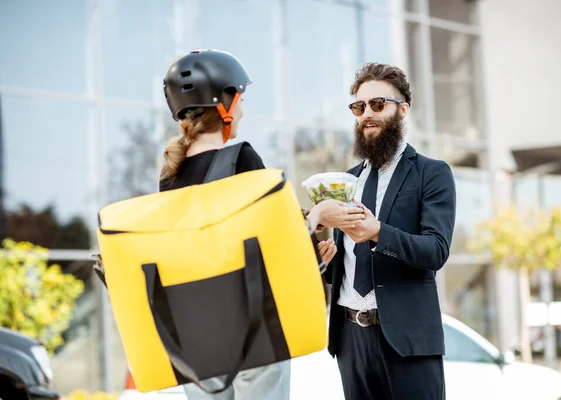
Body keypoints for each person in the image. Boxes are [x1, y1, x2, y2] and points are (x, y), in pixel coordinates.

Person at [159, 49, 363, 400]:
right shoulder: (240, 158)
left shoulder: (168, 178)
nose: (242, 110)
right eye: (239, 99)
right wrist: (318, 216)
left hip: (194, 336)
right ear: (224, 102)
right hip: (250, 328)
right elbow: (275, 241)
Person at [322, 62, 457, 400]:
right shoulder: (344, 182)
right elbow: (346, 266)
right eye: (359, 106)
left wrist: (378, 231)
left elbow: (436, 251)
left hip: (407, 342)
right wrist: (323, 261)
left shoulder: (432, 173)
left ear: (403, 109)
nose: (367, 113)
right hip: (350, 342)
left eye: (378, 104)